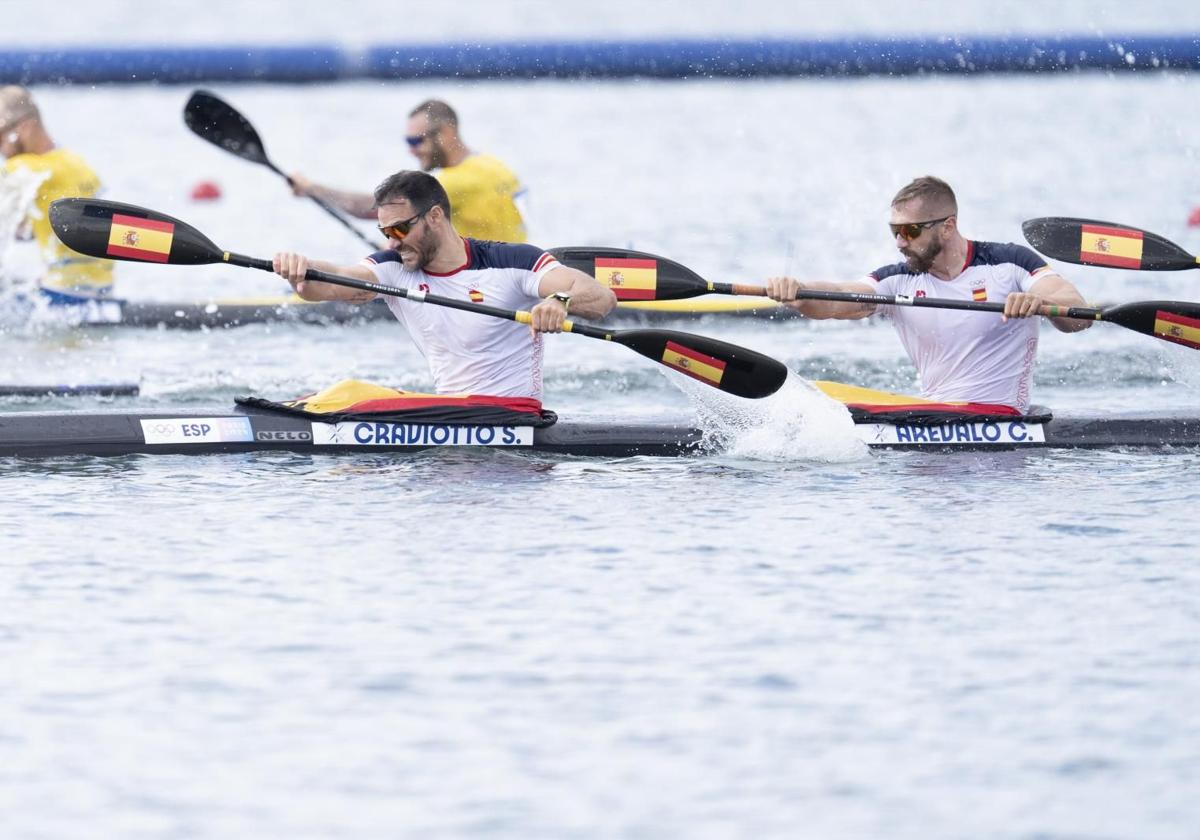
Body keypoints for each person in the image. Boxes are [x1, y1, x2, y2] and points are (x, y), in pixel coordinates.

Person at [273, 170, 614, 400]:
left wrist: (558, 301)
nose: (392, 242)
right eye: (385, 232)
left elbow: (601, 297)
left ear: (435, 216)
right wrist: (302, 271)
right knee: (340, 396)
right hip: (449, 419)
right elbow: (328, 285)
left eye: (400, 230)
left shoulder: (513, 261)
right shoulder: (393, 267)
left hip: (513, 419)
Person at [766, 176, 1091, 413]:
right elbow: (841, 298)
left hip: (1002, 419)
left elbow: (1076, 310)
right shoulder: (897, 280)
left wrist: (1041, 303)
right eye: (894, 232)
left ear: (947, 227)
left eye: (910, 231)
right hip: (936, 418)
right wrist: (800, 294)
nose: (899, 242)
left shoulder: (1010, 263)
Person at [290, 99, 527, 243]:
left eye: (416, 141)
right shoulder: (494, 165)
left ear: (445, 133)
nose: (411, 151)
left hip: (476, 287)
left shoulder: (453, 183)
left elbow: (374, 208)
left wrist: (313, 189)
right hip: (508, 276)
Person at [0, 85, 114, 298]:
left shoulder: (24, 168)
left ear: (25, 127)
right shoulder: (77, 162)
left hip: (61, 296)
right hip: (103, 290)